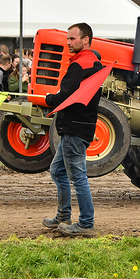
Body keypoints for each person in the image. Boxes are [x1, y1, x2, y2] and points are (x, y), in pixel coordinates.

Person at [43, 22, 102, 237]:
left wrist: (47, 99)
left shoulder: (79, 65)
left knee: (78, 176)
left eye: (72, 38)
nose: (68, 42)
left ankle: (86, 223)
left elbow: (64, 95)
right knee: (58, 171)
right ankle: (63, 215)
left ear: (85, 40)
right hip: (84, 125)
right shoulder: (95, 64)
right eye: (67, 38)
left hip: (74, 127)